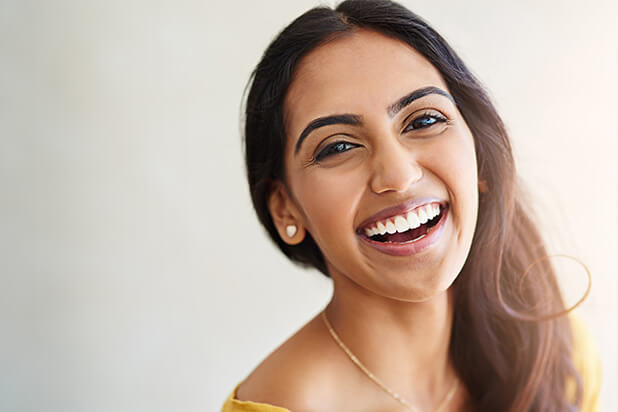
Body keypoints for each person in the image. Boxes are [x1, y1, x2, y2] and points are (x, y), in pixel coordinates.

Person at [221, 0, 601, 410]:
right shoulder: (282, 404)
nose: (398, 176)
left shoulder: (554, 352)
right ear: (285, 209)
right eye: (339, 147)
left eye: (423, 121)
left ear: (479, 158)